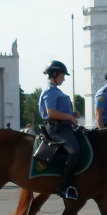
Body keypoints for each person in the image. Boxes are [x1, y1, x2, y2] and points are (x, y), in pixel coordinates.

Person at [38, 60, 80, 200]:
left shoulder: (55, 90)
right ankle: (65, 187)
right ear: (54, 74)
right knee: (73, 152)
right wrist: (69, 116)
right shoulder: (50, 90)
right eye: (63, 75)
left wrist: (72, 115)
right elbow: (51, 112)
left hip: (63, 126)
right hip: (56, 129)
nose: (64, 78)